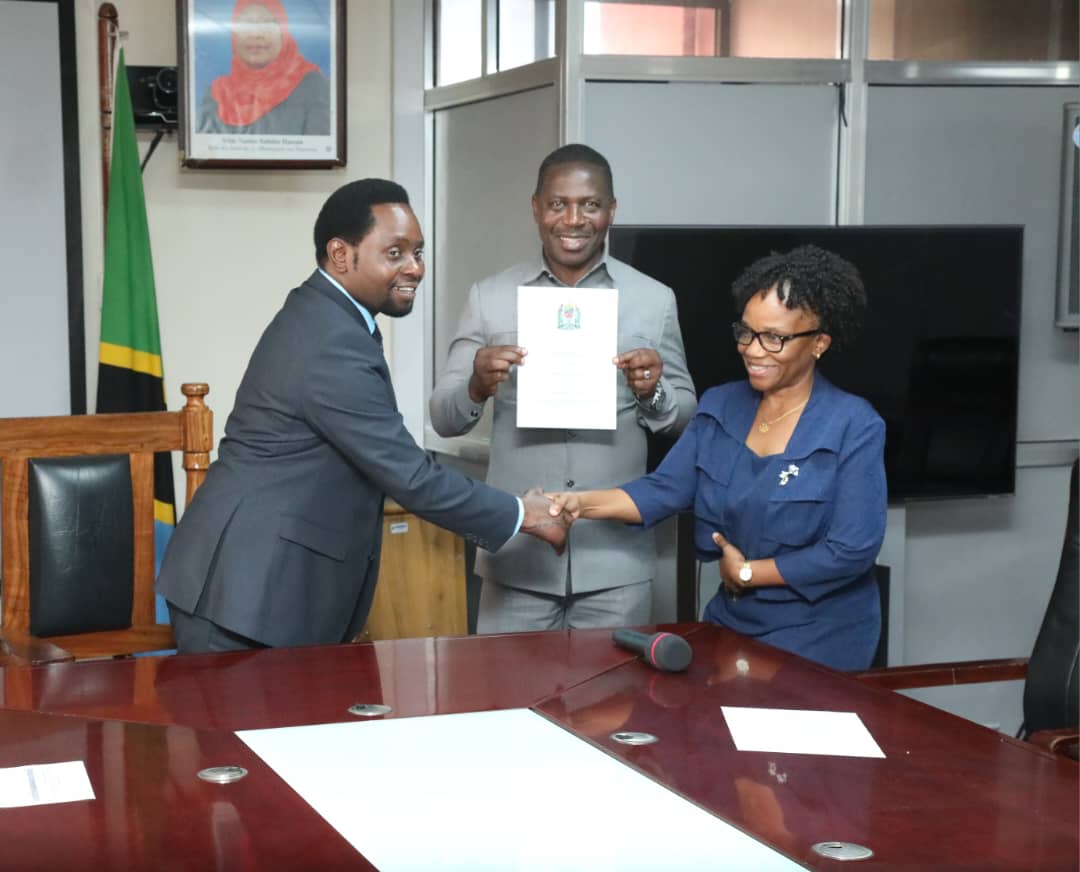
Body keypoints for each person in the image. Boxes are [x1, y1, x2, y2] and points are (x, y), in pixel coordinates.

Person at [157, 179, 569, 654]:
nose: (414, 268)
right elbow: (410, 476)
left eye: (418, 252)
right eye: (395, 253)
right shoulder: (330, 339)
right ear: (340, 254)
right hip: (247, 597)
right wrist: (523, 514)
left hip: (264, 589)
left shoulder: (330, 317)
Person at [547, 245, 887, 670]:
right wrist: (579, 504)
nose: (753, 349)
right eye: (746, 332)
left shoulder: (854, 424)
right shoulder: (720, 405)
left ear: (818, 343)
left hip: (822, 633)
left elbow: (852, 549)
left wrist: (748, 573)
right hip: (733, 621)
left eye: (775, 338)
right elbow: (664, 489)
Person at [429, 144, 696, 633]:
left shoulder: (653, 300)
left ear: (611, 210)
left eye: (590, 205)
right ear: (537, 208)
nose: (573, 219)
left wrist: (651, 391)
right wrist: (475, 384)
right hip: (516, 560)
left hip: (615, 563)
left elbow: (683, 419)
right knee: (511, 702)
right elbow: (443, 417)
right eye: (558, 204)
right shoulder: (490, 298)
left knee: (612, 707)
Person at [196, 0, 330, 136]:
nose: (256, 34)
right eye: (246, 25)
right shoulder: (217, 94)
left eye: (266, 24)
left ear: (282, 34)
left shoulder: (312, 86)